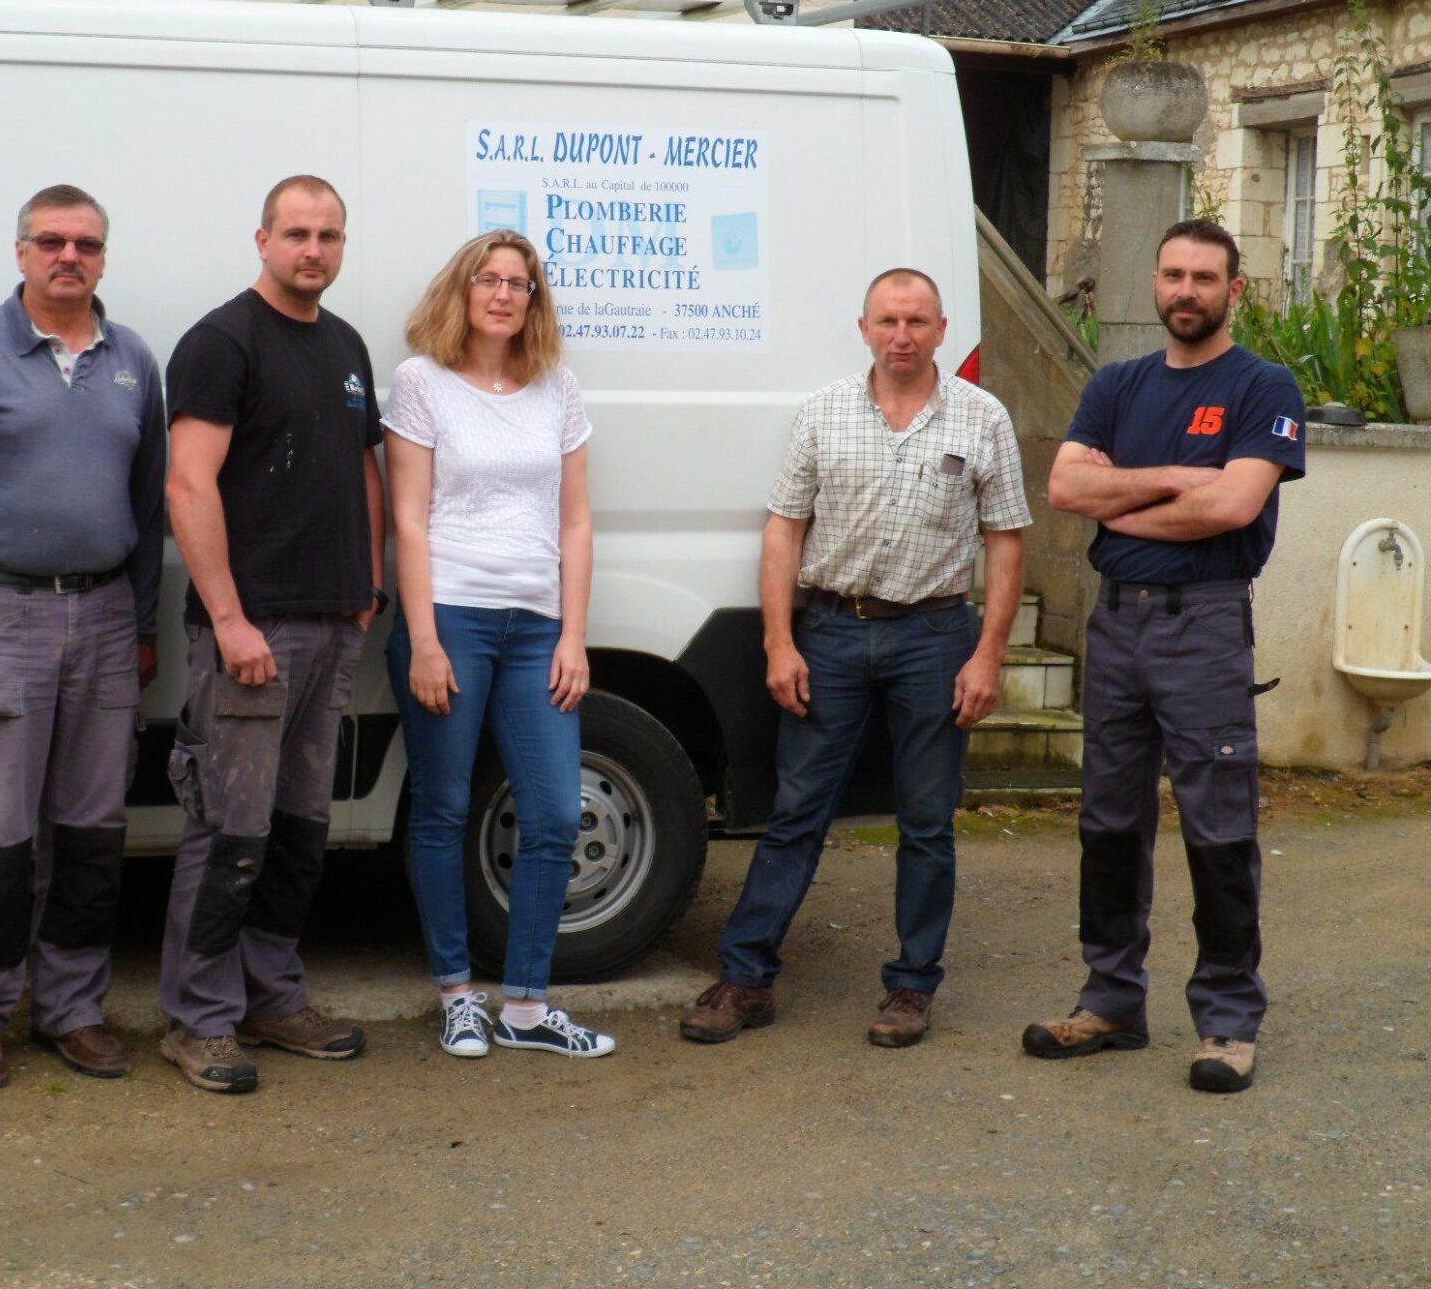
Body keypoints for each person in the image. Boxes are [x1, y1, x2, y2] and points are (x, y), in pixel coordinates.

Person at [681, 268, 1030, 1050]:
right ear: (864, 327)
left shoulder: (983, 419)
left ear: (943, 329)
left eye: (916, 321)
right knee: (797, 812)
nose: (901, 336)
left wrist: (988, 656)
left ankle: (911, 989)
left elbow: (1006, 542)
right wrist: (779, 641)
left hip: (936, 638)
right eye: (887, 321)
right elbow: (784, 530)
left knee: (928, 822)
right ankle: (745, 978)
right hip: (833, 634)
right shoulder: (824, 412)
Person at [1024, 219, 1305, 1094]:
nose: (1187, 290)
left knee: (1219, 828)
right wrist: (1182, 477)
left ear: (1234, 289)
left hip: (1205, 625)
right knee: (1107, 822)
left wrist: (1121, 502)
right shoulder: (1116, 385)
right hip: (1118, 627)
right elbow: (1065, 486)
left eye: (1205, 277)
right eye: (1174, 274)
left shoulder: (1264, 385)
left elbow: (1231, 509)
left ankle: (1227, 1021)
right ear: (1155, 282)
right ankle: (1111, 1001)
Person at [0, 184, 165, 1090]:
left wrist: (140, 626)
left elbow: (147, 504)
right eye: (51, 241)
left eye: (86, 244)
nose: (69, 257)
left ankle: (73, 1009)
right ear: (19, 251)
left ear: (104, 256)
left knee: (92, 832)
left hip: (102, 619)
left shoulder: (133, 360)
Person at [157, 175, 385, 1094]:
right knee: (230, 830)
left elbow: (361, 469)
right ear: (262, 240)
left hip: (333, 623)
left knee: (298, 831)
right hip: (252, 635)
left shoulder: (345, 344)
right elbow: (187, 485)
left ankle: (272, 996)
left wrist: (367, 581)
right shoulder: (222, 342)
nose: (315, 250)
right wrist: (229, 619)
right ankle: (199, 1020)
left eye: (330, 235)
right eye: (298, 233)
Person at [381, 230, 612, 1061]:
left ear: (533, 300)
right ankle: (456, 994)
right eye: (490, 279)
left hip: (536, 628)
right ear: (464, 290)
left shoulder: (558, 388)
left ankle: (525, 1005)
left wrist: (574, 636)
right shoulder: (421, 381)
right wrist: (424, 640)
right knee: (442, 810)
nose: (505, 294)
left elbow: (577, 519)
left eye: (520, 283)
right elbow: (407, 517)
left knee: (554, 811)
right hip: (452, 617)